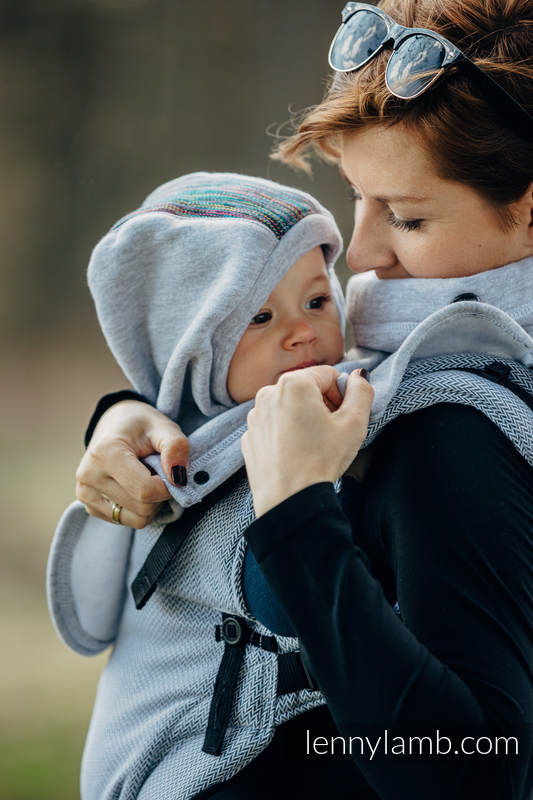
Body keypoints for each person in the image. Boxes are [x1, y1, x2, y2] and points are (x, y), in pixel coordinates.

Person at [54, 0, 533, 797]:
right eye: (355, 197)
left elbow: (469, 775)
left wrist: (294, 508)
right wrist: (131, 413)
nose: (362, 254)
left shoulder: (450, 426)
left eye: (406, 217)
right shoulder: (414, 372)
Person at [47, 170, 378, 800]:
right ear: (193, 343)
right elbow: (291, 601)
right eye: (259, 316)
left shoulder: (348, 391)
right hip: (190, 769)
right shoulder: (187, 465)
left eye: (317, 301)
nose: (303, 331)